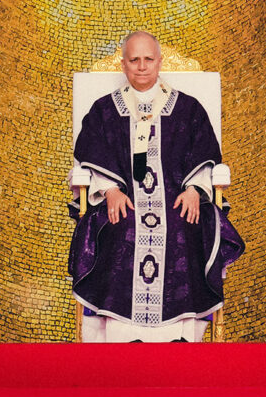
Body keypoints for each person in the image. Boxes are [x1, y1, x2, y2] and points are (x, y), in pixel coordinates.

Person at [68, 31, 244, 342]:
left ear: (159, 62)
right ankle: (118, 334)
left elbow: (204, 151)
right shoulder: (104, 110)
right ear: (123, 64)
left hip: (178, 198)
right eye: (134, 60)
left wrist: (194, 190)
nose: (142, 66)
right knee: (118, 225)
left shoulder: (188, 109)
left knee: (187, 225)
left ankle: (182, 334)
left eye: (148, 59)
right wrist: (109, 189)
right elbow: (92, 151)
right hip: (124, 200)